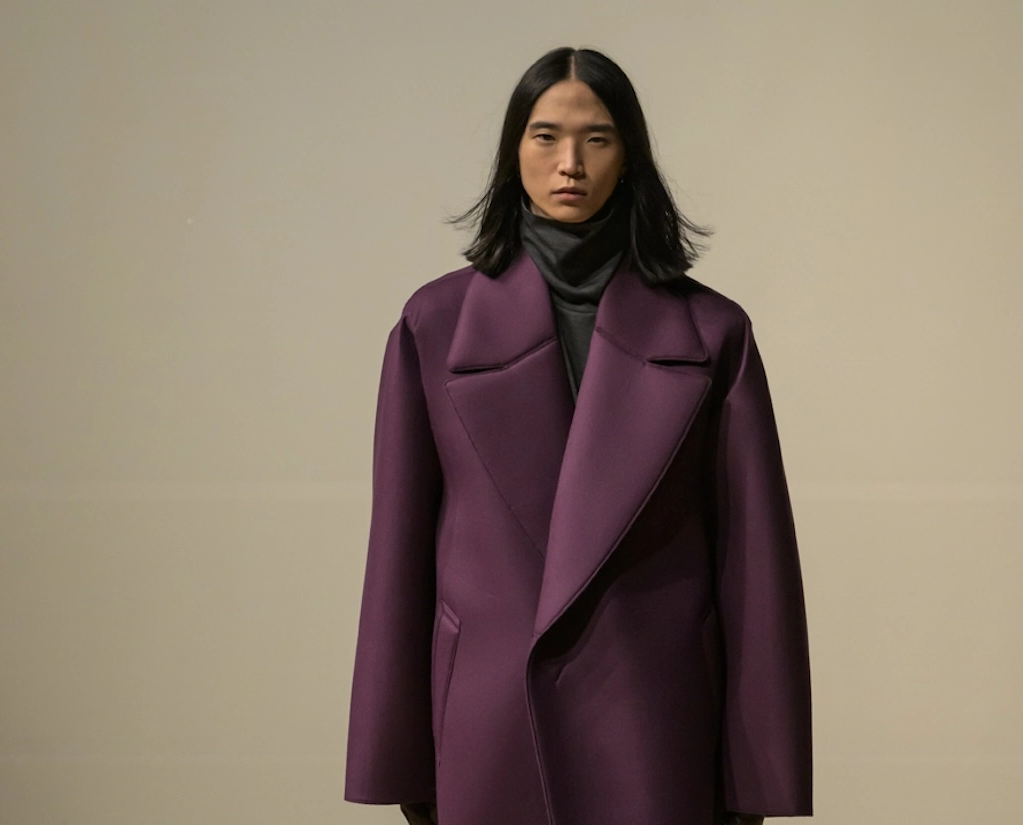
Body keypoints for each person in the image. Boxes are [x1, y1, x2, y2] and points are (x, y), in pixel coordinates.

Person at [345, 47, 812, 825]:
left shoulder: (712, 333)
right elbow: (398, 555)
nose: (571, 163)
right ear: (513, 153)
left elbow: (755, 567)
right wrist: (397, 756)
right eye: (546, 137)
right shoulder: (435, 326)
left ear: (629, 157)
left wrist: (758, 777)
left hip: (656, 722)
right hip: (489, 726)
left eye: (597, 138)